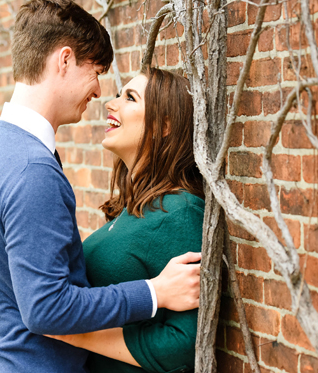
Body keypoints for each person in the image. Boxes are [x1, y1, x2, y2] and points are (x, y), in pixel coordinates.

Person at [0, 0, 201, 373]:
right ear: (64, 60)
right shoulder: (31, 170)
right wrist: (156, 292)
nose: (100, 91)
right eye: (96, 71)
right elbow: (46, 309)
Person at [48, 66, 204, 373]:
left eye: (129, 98)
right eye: (119, 94)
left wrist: (78, 335)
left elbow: (185, 343)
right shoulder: (133, 209)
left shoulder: (182, 212)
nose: (111, 103)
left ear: (164, 125)